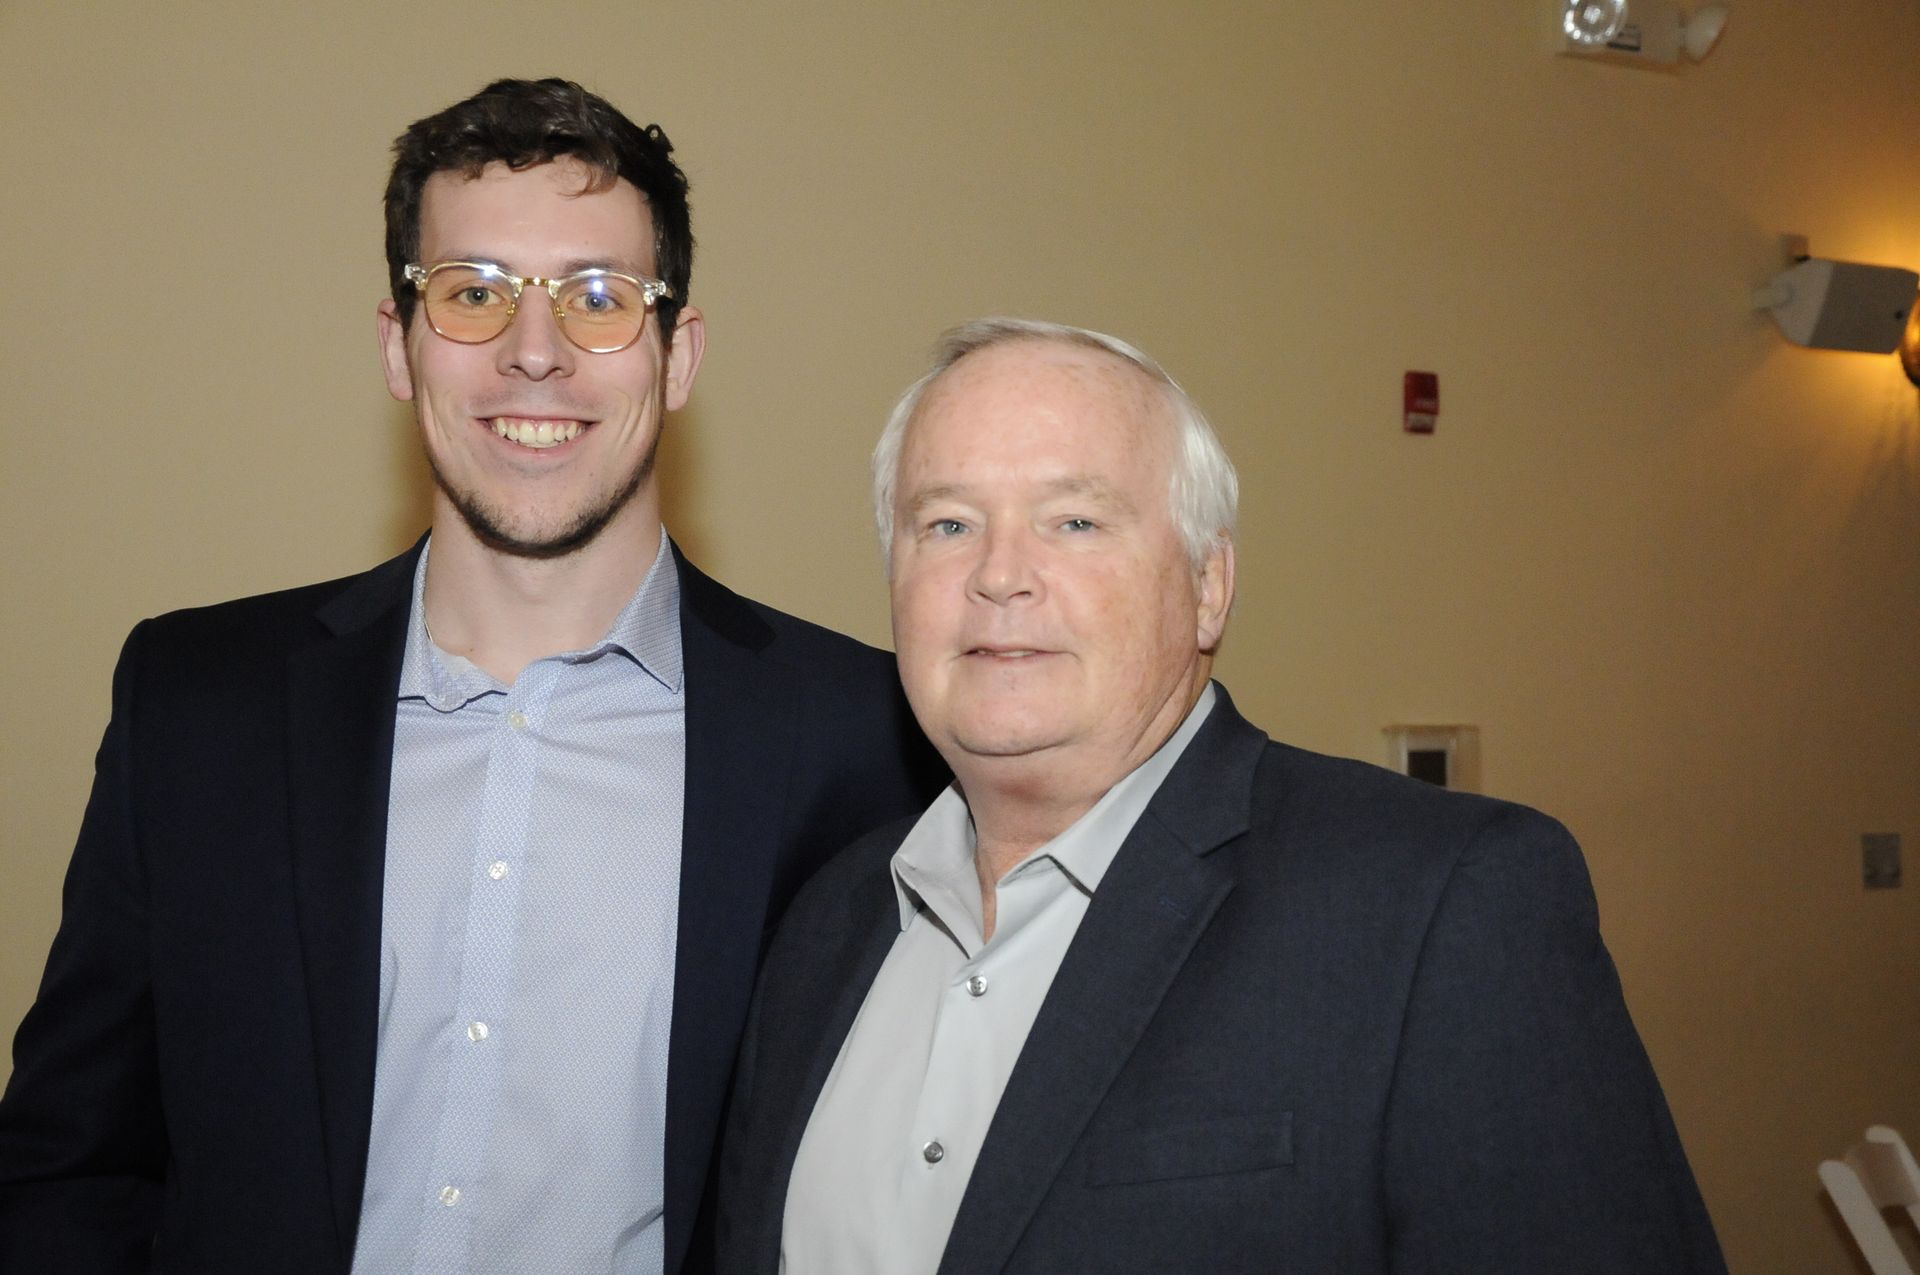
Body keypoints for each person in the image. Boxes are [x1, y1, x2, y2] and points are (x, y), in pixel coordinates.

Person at [0, 78, 942, 1275]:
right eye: (474, 294)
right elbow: (67, 1169)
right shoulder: (195, 707)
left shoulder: (868, 740)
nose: (533, 353)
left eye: (601, 298)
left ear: (678, 351)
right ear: (399, 346)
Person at [716, 317, 1727, 1273]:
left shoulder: (1443, 906)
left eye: (1074, 519)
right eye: (946, 523)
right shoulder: (825, 924)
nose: (1000, 575)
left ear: (1208, 585)